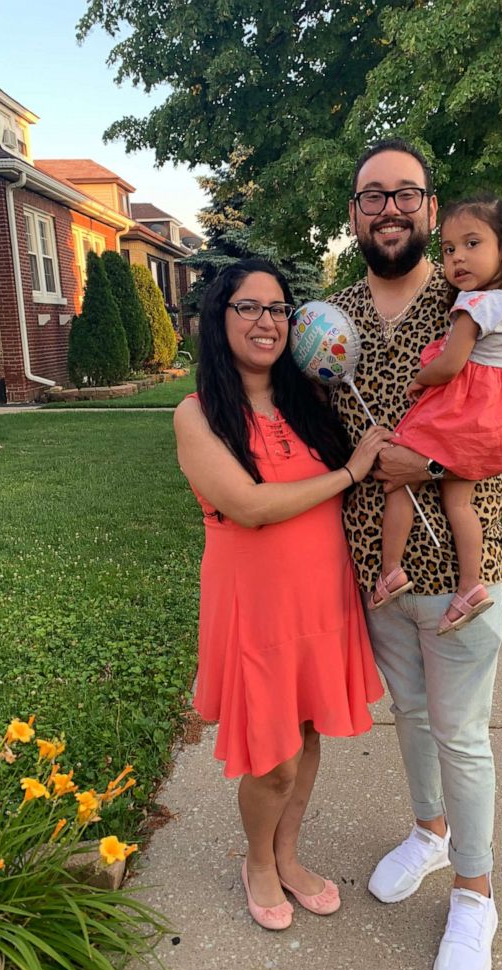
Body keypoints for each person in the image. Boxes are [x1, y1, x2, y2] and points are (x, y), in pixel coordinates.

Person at [329, 138, 502, 970]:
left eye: (407, 194)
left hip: (462, 574)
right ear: (354, 213)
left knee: (462, 735)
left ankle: (475, 894)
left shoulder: (479, 299)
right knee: (409, 713)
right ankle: (429, 835)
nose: (390, 207)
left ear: (433, 211)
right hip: (373, 567)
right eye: (374, 195)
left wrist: (430, 467)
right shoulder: (326, 319)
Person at [173, 259, 389, 932]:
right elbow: (249, 506)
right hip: (257, 609)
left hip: (321, 600)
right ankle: (257, 864)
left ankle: (288, 857)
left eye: (276, 309)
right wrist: (350, 473)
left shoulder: (310, 402)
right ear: (220, 318)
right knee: (274, 761)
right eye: (249, 307)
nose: (266, 321)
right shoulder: (198, 414)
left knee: (308, 733)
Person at [370, 194, 502, 635]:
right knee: (460, 502)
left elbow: (451, 365)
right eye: (449, 249)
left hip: (463, 413)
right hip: (495, 424)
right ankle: (470, 585)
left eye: (472, 244)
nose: (458, 258)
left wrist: (421, 379)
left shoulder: (473, 306)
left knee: (397, 472)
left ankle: (390, 570)